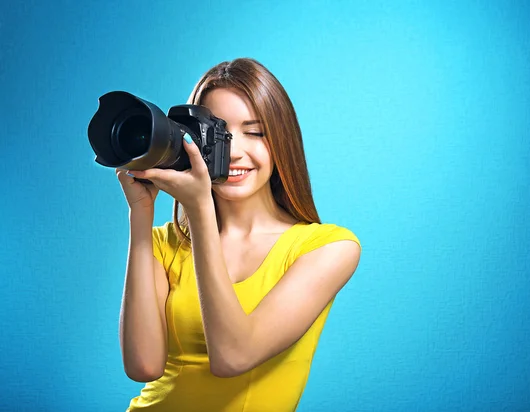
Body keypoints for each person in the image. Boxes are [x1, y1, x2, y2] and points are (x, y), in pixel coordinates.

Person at [115, 58, 361, 412]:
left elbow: (233, 356)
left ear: (282, 141)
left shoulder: (328, 248)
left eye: (255, 132)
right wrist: (140, 215)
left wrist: (199, 211)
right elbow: (143, 366)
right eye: (218, 135)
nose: (233, 152)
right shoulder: (163, 244)